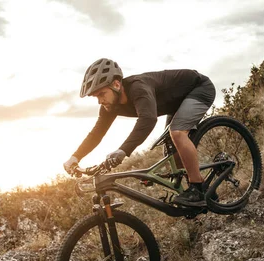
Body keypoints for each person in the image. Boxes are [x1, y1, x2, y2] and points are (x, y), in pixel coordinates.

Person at [63, 58, 216, 207]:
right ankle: (207, 192)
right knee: (172, 152)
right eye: (96, 96)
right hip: (177, 103)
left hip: (199, 88)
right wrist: (75, 157)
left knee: (177, 133)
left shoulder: (138, 88)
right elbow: (97, 133)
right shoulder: (109, 106)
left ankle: (198, 189)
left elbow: (148, 119)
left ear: (116, 84)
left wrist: (123, 150)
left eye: (102, 94)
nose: (99, 101)